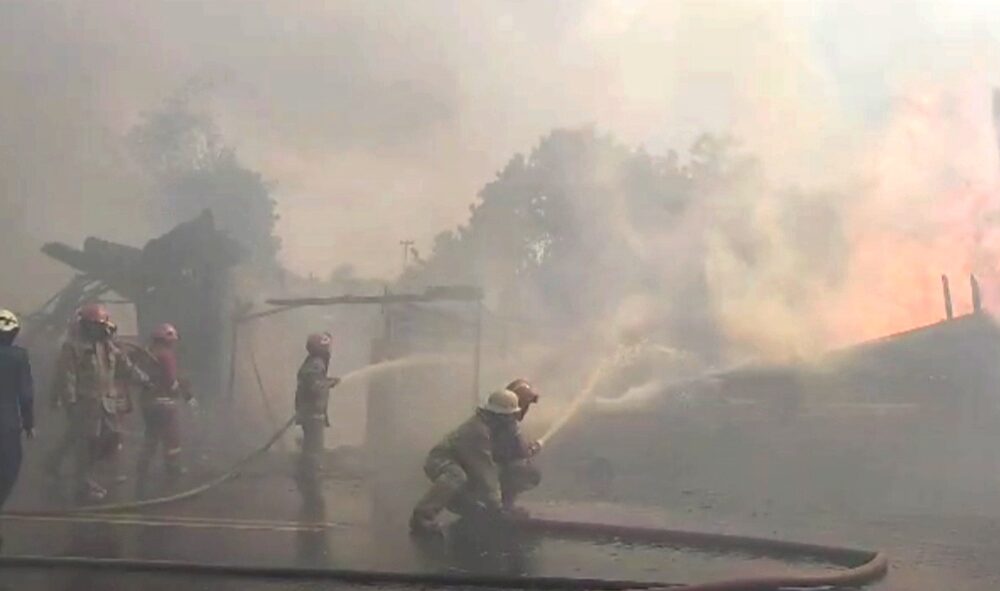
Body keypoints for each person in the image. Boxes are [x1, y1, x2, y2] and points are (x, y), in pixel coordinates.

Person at [49, 303, 147, 502]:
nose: (102, 328)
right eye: (97, 325)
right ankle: (83, 483)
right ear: (87, 325)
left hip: (106, 403)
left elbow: (125, 367)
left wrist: (145, 380)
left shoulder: (109, 345)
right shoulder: (73, 347)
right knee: (85, 444)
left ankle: (64, 466)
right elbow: (67, 376)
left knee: (112, 437)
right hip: (85, 405)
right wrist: (70, 403)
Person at [409, 388, 522, 536]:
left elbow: (509, 456)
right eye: (508, 416)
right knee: (455, 476)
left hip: (467, 462)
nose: (511, 420)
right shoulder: (477, 431)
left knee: (480, 501)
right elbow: (484, 470)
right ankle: (422, 515)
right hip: (443, 460)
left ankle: (469, 506)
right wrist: (497, 505)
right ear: (497, 416)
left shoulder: (497, 428)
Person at [134, 323, 194, 488]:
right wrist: (184, 394)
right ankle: (173, 470)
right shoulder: (166, 355)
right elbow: (170, 380)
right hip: (164, 403)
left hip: (147, 402)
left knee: (151, 436)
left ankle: (142, 468)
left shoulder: (147, 354)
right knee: (171, 437)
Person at [0, 309, 34, 547]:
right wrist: (29, 423)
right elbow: (26, 394)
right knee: (8, 470)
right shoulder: (19, 357)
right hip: (7, 425)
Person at [494, 379, 543, 516]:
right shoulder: (508, 425)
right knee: (526, 472)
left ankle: (500, 503)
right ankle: (503, 506)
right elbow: (520, 451)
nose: (527, 408)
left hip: (486, 469)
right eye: (526, 404)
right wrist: (533, 448)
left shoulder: (500, 419)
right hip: (489, 472)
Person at [295, 332, 340, 480]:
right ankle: (310, 476)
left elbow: (315, 381)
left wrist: (327, 381)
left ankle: (307, 471)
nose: (329, 350)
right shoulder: (317, 363)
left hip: (310, 412)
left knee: (311, 445)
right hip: (313, 413)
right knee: (314, 447)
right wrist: (329, 383)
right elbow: (315, 386)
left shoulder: (313, 362)